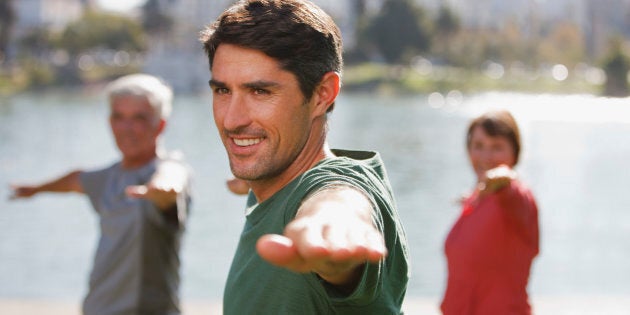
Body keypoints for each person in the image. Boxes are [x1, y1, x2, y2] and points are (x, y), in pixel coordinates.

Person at [199, 0, 409, 314]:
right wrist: (247, 182)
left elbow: (340, 198)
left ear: (323, 94)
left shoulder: (336, 185)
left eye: (260, 92)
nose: (231, 120)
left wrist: (331, 227)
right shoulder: (273, 179)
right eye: (223, 91)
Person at [10, 74, 192, 315]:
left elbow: (172, 182)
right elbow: (76, 179)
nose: (126, 128)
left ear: (160, 125)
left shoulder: (170, 169)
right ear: (110, 122)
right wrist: (35, 189)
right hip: (97, 308)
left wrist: (161, 191)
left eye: (138, 118)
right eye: (119, 117)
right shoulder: (108, 177)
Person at [440, 109, 539, 315]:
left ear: (515, 152)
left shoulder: (518, 198)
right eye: (478, 146)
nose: (486, 156)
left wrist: (504, 176)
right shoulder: (476, 200)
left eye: (497, 147)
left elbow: (511, 191)